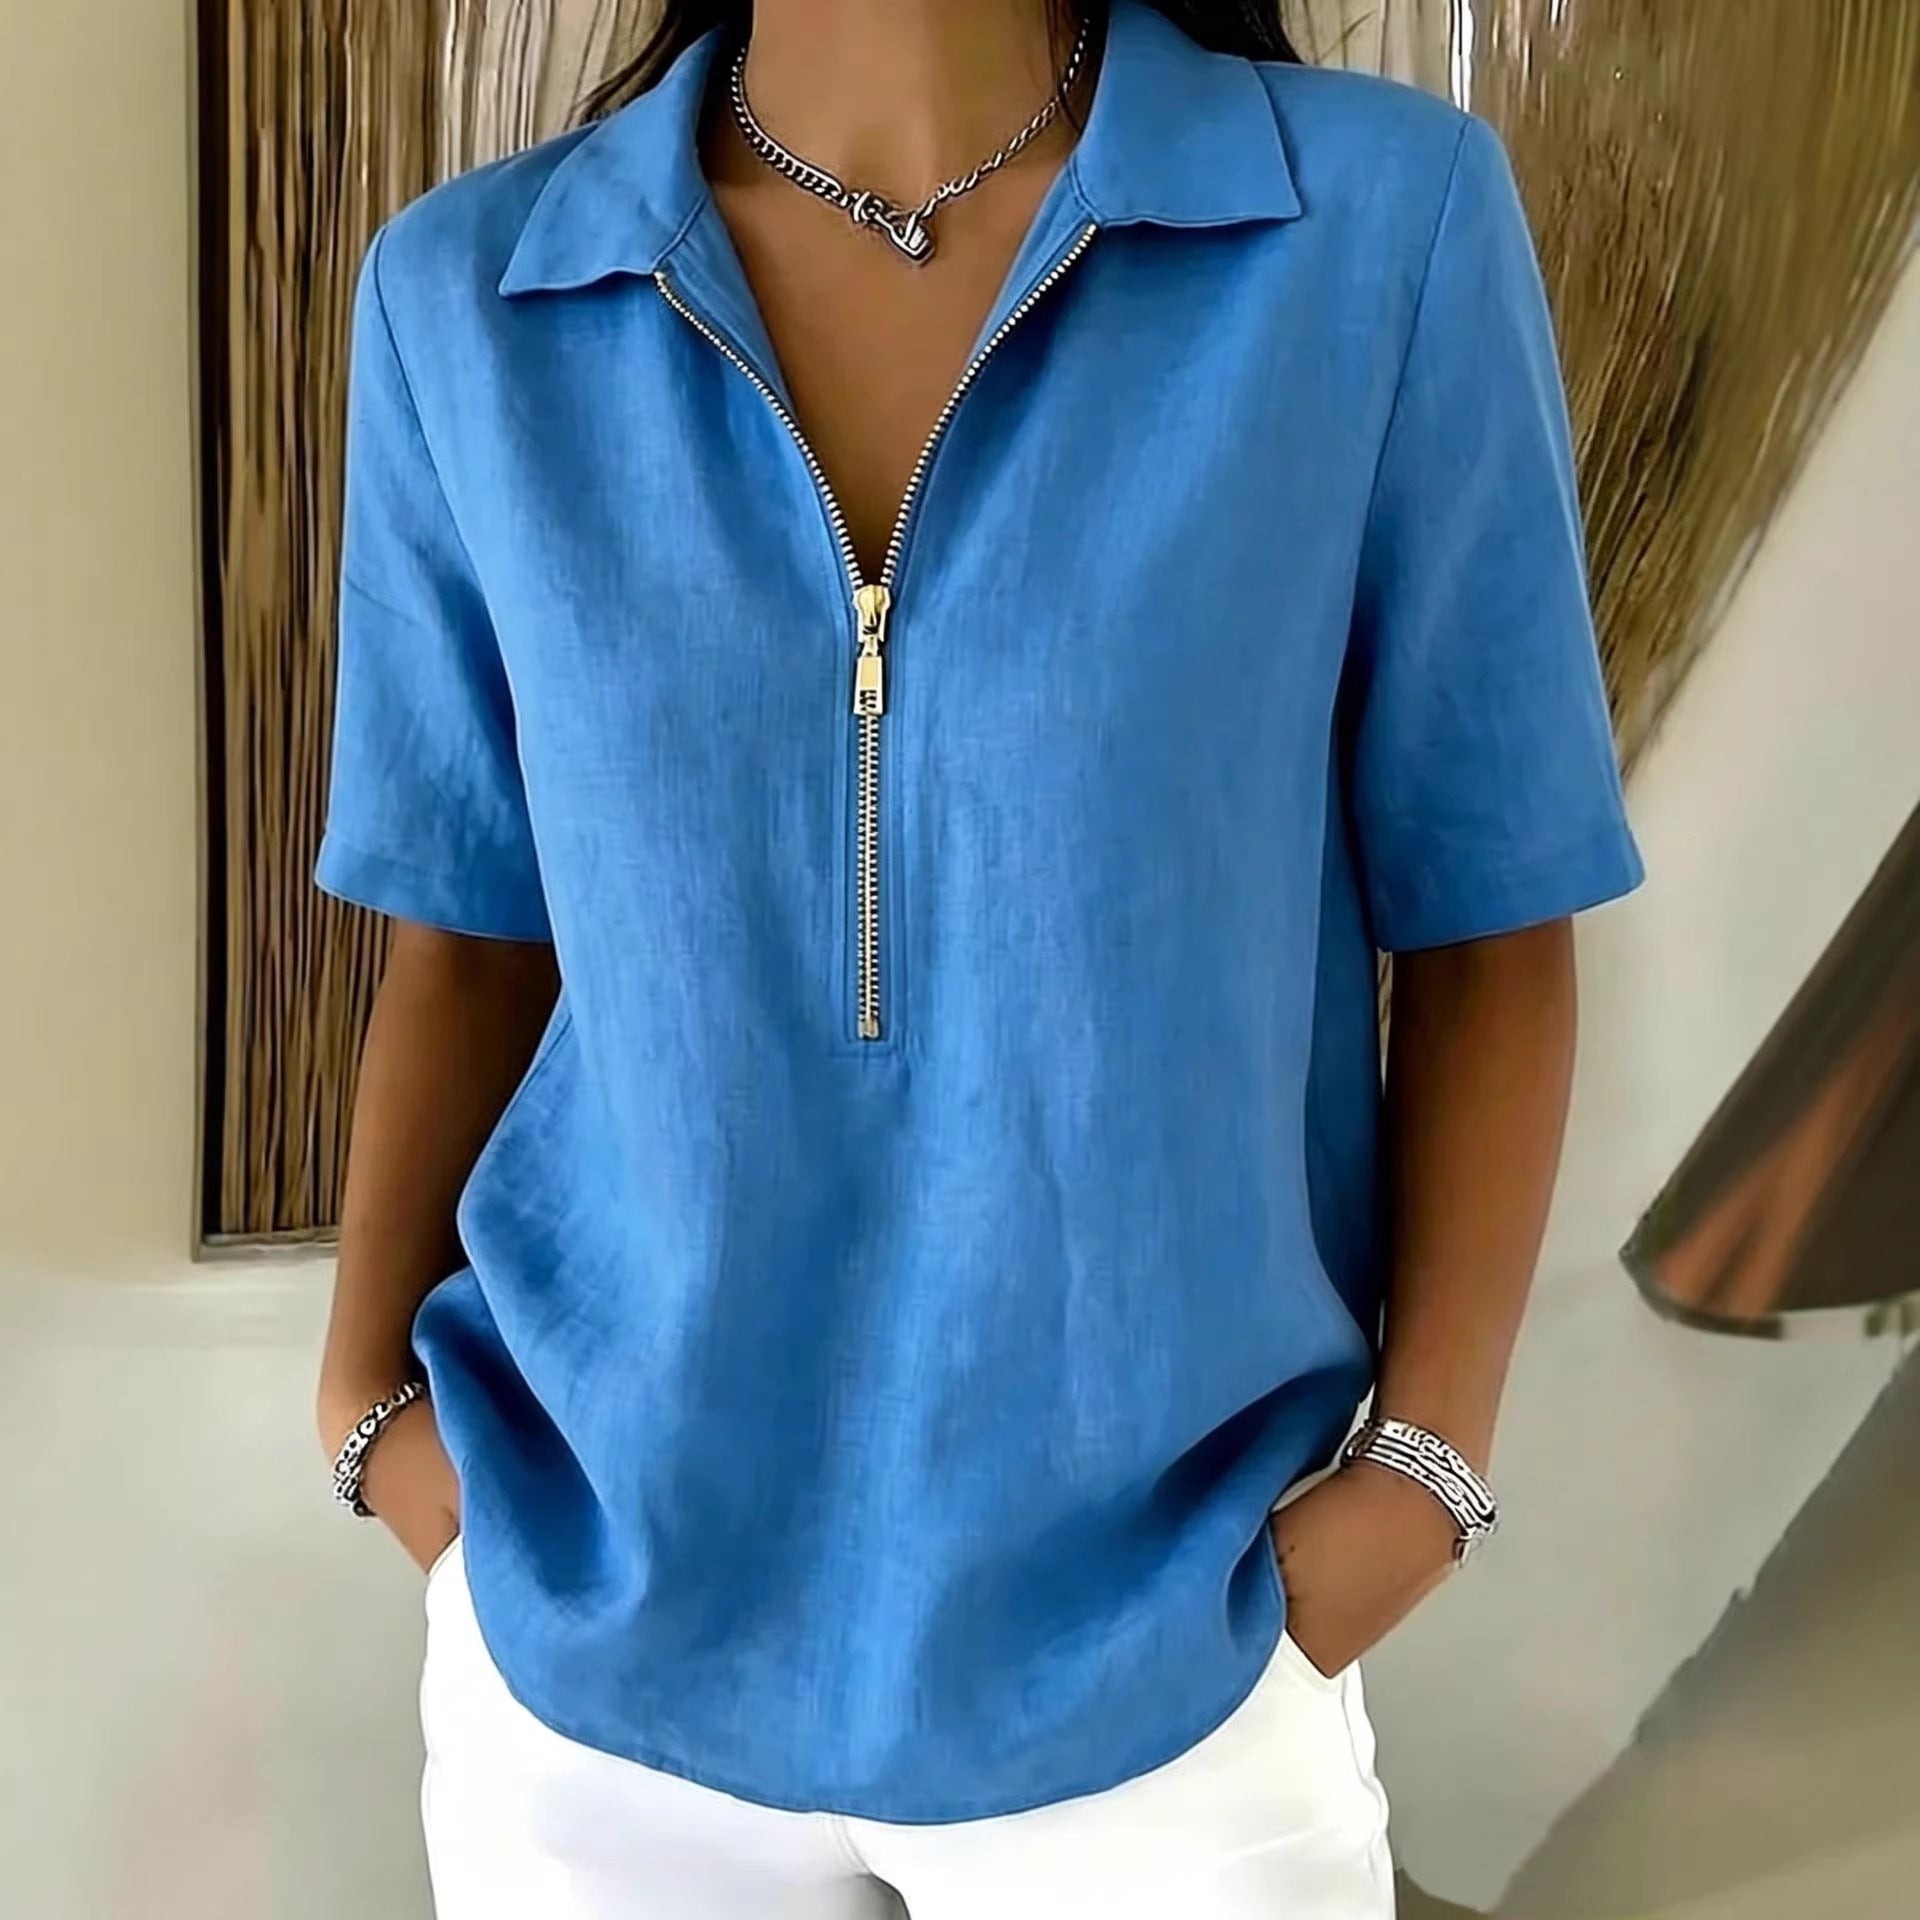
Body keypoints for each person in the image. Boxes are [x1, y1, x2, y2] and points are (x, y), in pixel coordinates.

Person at [313, 2, 1643, 1913]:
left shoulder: (1376, 228)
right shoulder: (469, 298)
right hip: (582, 1676)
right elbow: (462, 938)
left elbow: (1493, 915)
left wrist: (1422, 1483)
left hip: (1168, 1681)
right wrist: (369, 1411)